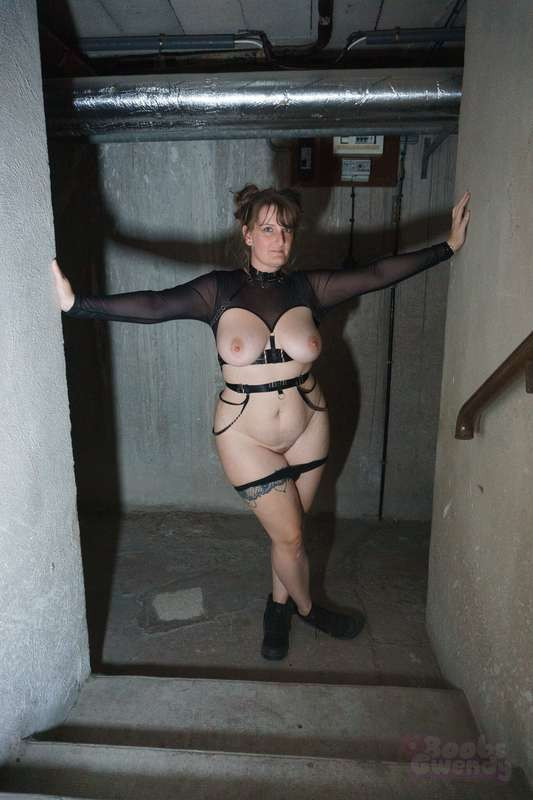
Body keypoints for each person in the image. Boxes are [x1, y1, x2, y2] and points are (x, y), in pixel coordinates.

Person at [52, 184, 471, 661]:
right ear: (247, 234)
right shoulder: (218, 290)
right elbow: (155, 304)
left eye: (286, 229)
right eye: (268, 229)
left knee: (288, 534)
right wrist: (77, 305)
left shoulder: (308, 288)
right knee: (290, 537)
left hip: (309, 425)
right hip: (246, 437)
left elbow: (376, 275)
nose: (279, 239)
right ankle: (308, 608)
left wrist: (447, 247)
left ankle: (277, 606)